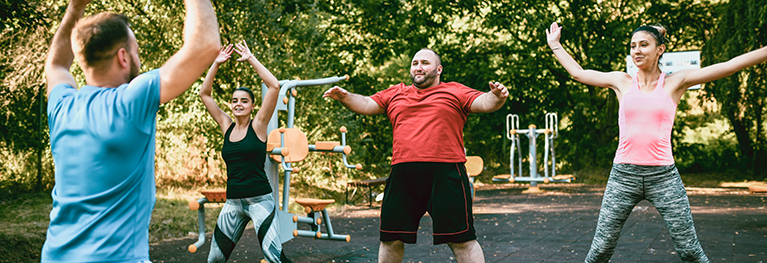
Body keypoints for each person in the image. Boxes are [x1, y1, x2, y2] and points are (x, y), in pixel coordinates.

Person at [545, 22, 767, 263]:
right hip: (623, 177)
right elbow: (579, 73)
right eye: (632, 46)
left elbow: (730, 66)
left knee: (690, 251)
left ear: (660, 49)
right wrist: (555, 44)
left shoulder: (675, 82)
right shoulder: (622, 82)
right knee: (599, 251)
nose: (636, 51)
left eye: (644, 45)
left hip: (663, 177)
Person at [42, 0, 220, 262]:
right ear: (123, 57)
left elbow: (56, 65)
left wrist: (74, 8)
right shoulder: (130, 102)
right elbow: (205, 45)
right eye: (136, 51)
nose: (138, 57)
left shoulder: (62, 107)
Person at [323, 48, 508, 263]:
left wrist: (497, 97)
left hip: (446, 174)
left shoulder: (454, 91)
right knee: (391, 238)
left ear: (439, 69)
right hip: (403, 174)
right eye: (414, 63)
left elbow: (484, 102)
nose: (418, 67)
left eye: (424, 63)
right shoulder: (395, 93)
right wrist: (345, 97)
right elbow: (366, 103)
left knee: (462, 239)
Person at [198, 41, 291, 263]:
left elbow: (274, 87)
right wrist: (216, 63)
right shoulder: (226, 125)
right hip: (233, 203)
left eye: (244, 101)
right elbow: (205, 94)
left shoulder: (258, 125)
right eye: (234, 101)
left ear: (251, 106)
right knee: (214, 260)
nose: (238, 104)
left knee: (274, 256)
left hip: (260, 201)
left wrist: (250, 58)